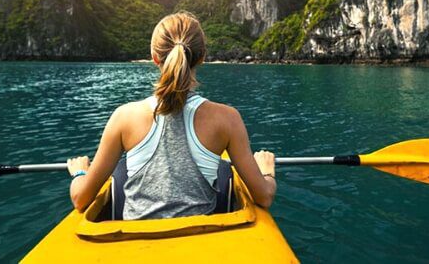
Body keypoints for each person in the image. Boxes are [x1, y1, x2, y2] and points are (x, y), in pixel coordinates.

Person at [66, 11, 276, 220]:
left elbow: (80, 199)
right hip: (198, 244)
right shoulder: (227, 119)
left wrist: (80, 173)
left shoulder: (123, 117)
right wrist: (266, 171)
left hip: (134, 246)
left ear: (155, 58)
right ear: (202, 57)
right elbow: (264, 197)